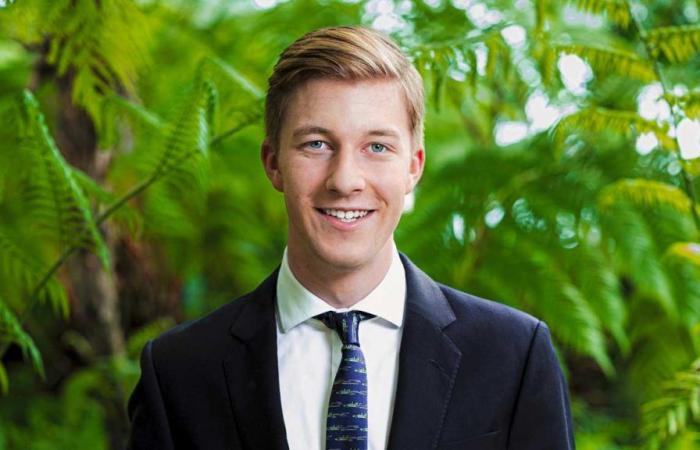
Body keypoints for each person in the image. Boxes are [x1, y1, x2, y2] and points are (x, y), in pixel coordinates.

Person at [127, 26, 575, 450]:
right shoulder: (178, 372)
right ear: (273, 163)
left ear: (413, 167)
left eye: (377, 147)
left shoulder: (514, 355)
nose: (345, 181)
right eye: (316, 144)